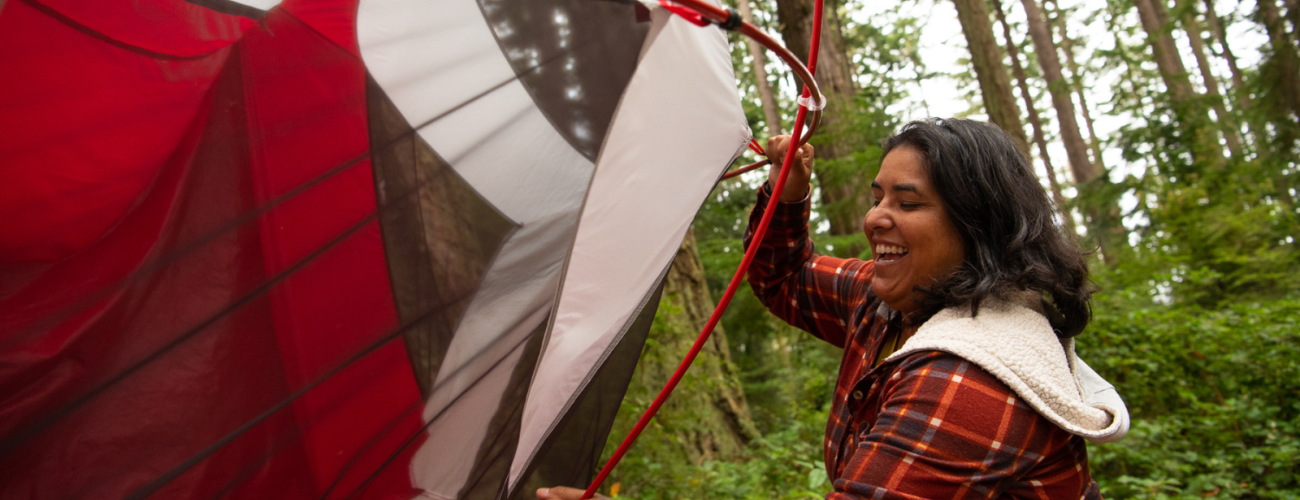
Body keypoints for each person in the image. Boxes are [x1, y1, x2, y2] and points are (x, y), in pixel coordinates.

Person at [538, 118, 1128, 500]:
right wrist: (788, 191)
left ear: (977, 225)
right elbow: (785, 279)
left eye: (908, 202)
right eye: (877, 198)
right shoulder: (893, 303)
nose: (875, 218)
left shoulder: (968, 377)